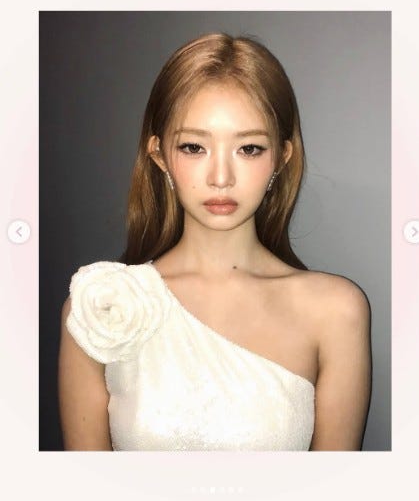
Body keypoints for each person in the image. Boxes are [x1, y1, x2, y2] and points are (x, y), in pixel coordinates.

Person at [58, 32, 372, 451]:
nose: (220, 177)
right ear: (159, 154)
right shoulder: (98, 310)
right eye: (194, 147)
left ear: (282, 157)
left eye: (249, 149)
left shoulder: (335, 312)